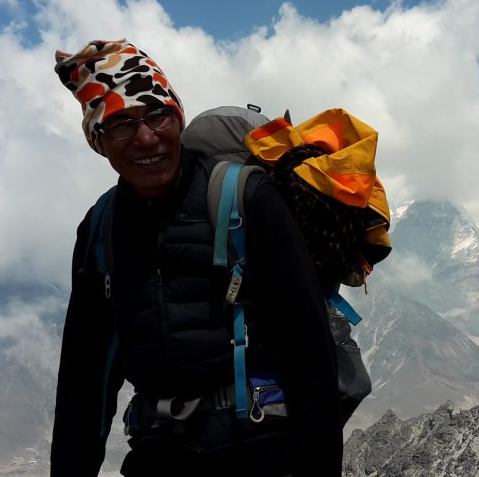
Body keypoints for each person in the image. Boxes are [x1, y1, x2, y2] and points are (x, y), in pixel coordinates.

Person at [49, 39, 342, 476]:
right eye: (122, 125)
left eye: (157, 115)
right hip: (161, 451)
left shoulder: (248, 199)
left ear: (177, 117)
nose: (147, 137)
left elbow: (311, 355)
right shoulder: (100, 228)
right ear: (98, 141)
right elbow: (84, 379)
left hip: (264, 449)